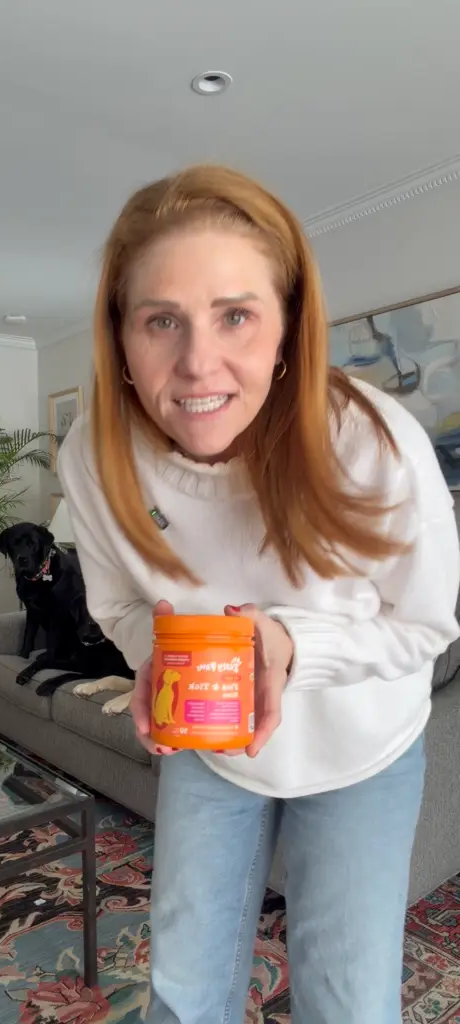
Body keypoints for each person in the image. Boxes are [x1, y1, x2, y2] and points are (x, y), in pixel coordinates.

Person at [58, 164, 460, 1024]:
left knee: (348, 1004)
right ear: (119, 335)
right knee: (183, 992)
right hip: (211, 748)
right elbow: (120, 605)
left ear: (287, 327)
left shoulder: (373, 442)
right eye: (161, 320)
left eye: (235, 315)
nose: (196, 363)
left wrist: (289, 646)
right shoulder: (94, 455)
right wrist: (162, 660)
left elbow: (426, 625)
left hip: (362, 748)